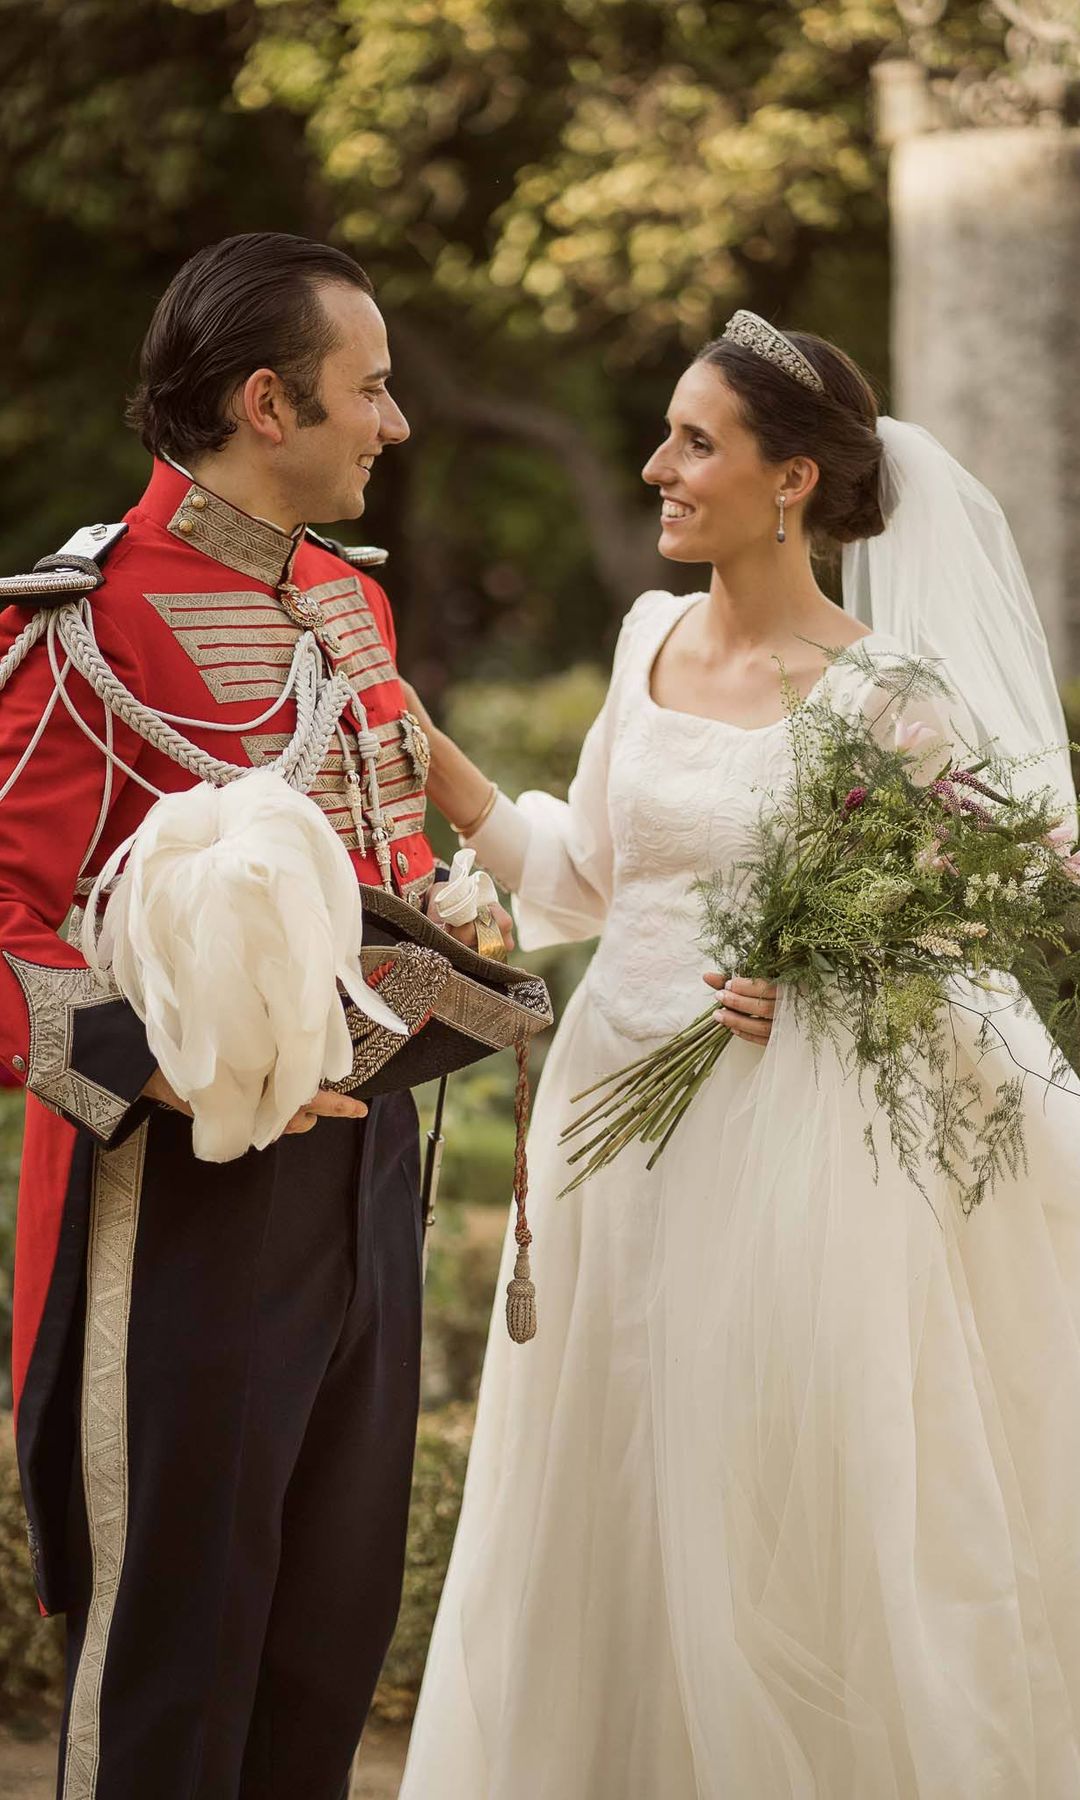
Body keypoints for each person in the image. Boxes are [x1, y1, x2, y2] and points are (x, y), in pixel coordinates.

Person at [399, 313, 1080, 1798]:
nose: (658, 465)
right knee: (607, 1484)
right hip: (603, 1134)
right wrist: (428, 754)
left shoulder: (890, 696)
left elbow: (994, 926)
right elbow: (580, 882)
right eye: (665, 434)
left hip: (776, 1150)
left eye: (696, 441)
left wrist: (839, 975)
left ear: (794, 479)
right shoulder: (648, 635)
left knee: (751, 1494)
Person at [0, 231, 515, 1800]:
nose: (397, 423)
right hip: (186, 1198)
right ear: (268, 402)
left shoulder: (347, 610)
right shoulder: (86, 623)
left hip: (370, 1179)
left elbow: (379, 870)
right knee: (181, 1648)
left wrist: (457, 942)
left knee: (322, 1644)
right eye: (371, 390)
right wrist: (169, 1077)